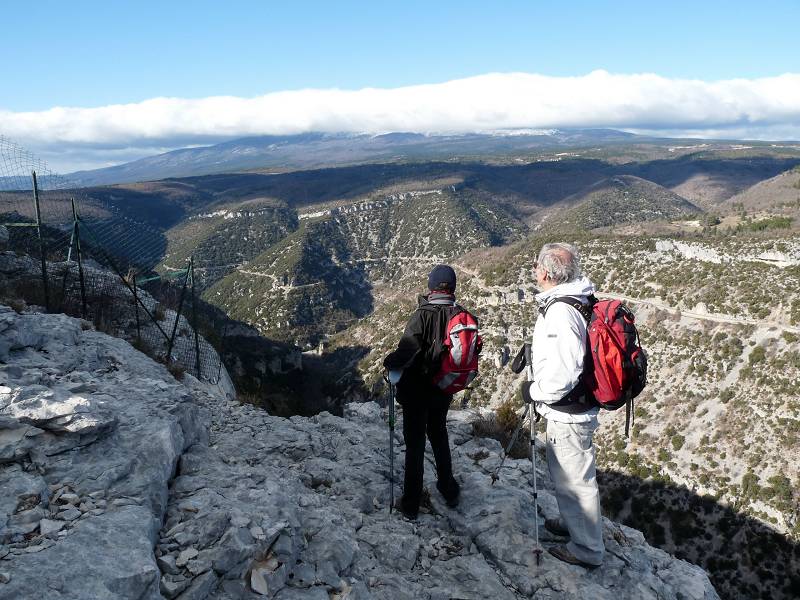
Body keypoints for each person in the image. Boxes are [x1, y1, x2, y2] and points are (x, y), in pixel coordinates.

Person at [522, 242, 605, 568]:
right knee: (568, 475)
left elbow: (562, 373)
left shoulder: (560, 312)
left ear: (544, 272)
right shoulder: (577, 301)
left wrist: (535, 391)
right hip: (577, 407)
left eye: (535, 265)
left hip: (568, 412)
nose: (533, 270)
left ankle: (586, 550)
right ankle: (573, 525)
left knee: (575, 480)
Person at [383, 264, 463, 519]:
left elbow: (407, 350)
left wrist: (389, 361)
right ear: (452, 287)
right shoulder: (460, 315)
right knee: (439, 436)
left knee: (415, 445)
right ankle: (449, 490)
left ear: (431, 287)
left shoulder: (422, 314)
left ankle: (410, 505)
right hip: (442, 388)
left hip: (416, 391)